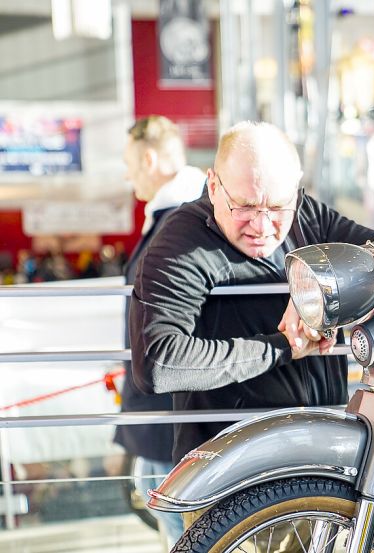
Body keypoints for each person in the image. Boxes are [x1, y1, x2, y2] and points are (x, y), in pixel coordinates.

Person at [129, 121, 374, 468]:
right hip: (229, 471)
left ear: (296, 191)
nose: (263, 227)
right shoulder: (180, 241)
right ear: (213, 185)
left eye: (278, 207)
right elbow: (158, 363)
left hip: (322, 458)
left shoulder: (304, 215)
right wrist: (282, 347)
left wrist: (314, 293)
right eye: (245, 207)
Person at [113, 115, 205, 546]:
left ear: (149, 159)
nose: (129, 175)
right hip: (170, 407)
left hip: (170, 413)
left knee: (181, 533)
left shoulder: (178, 219)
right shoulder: (188, 212)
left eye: (130, 164)